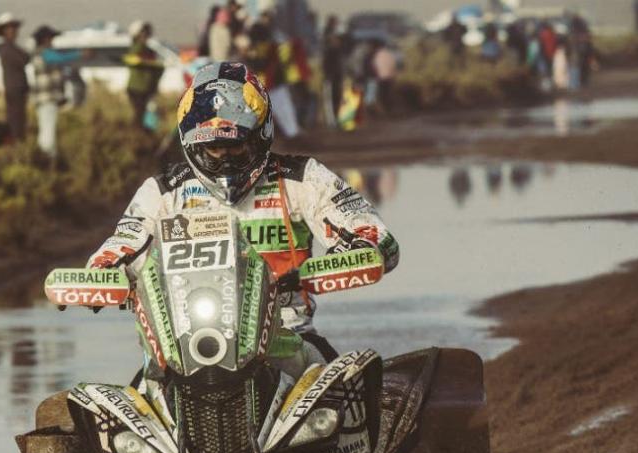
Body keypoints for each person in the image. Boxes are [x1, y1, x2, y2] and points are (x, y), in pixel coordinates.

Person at [81, 61, 400, 372]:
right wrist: (102, 272)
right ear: (191, 143)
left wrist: (361, 249)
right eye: (213, 149)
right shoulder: (164, 192)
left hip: (286, 338)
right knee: (117, 405)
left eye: (235, 147)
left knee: (349, 388)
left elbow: (377, 236)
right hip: (180, 346)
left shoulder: (302, 178)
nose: (225, 160)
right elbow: (121, 245)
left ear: (261, 135)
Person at [29, 24, 80, 157]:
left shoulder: (38, 53)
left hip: (43, 98)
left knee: (45, 127)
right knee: (48, 128)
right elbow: (60, 58)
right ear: (45, 39)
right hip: (47, 97)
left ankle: (45, 154)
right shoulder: (44, 53)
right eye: (50, 38)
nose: (52, 41)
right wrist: (79, 53)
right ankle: (48, 156)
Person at [0, 12, 30, 143]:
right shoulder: (7, 48)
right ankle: (16, 143)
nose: (13, 31)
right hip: (14, 89)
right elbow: (24, 59)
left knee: (19, 119)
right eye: (9, 28)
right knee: (16, 121)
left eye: (14, 28)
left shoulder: (11, 47)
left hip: (17, 89)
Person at [124, 21, 165, 131]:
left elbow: (156, 69)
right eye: (143, 33)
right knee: (139, 113)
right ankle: (136, 134)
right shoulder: (137, 48)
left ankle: (144, 134)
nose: (145, 35)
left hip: (147, 88)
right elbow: (133, 60)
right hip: (136, 88)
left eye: (146, 33)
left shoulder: (149, 50)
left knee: (147, 114)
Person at [320, 17, 347, 128]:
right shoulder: (330, 51)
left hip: (336, 78)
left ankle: (335, 120)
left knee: (336, 99)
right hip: (330, 78)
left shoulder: (337, 51)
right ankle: (331, 122)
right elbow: (326, 66)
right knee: (330, 100)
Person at [371, 43, 398, 114]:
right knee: (389, 93)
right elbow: (393, 65)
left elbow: (374, 66)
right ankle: (390, 108)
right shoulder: (390, 55)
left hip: (381, 77)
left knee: (382, 94)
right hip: (390, 77)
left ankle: (384, 109)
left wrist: (377, 74)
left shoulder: (377, 56)